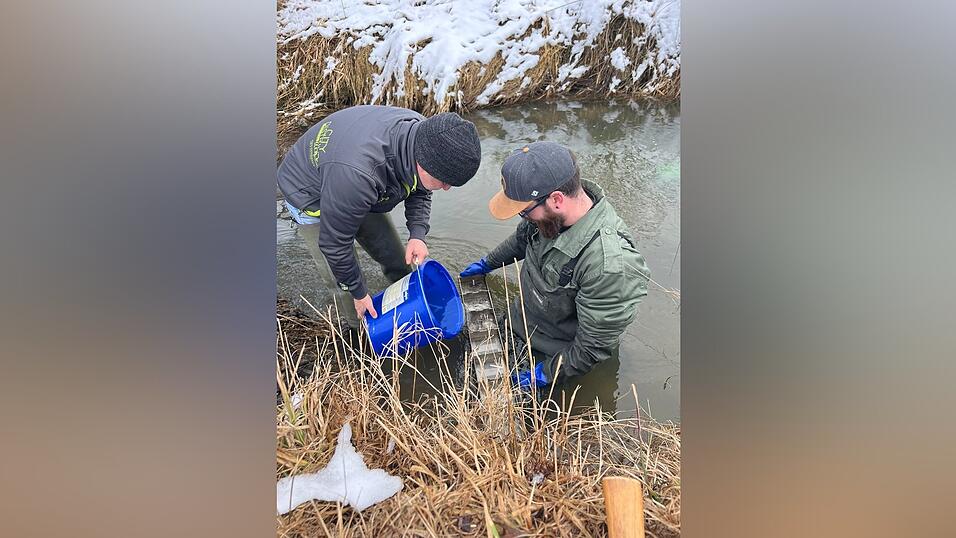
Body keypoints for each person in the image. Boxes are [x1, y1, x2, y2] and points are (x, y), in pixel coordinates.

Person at [460, 141, 649, 389]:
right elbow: (521, 240)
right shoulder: (547, 214)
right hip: (522, 322)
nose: (524, 218)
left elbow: (591, 348)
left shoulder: (609, 265)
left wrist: (543, 375)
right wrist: (487, 263)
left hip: (555, 355)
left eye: (524, 212)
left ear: (557, 199)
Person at [278, 105, 481, 327]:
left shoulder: (425, 134)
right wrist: (359, 292)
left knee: (394, 257)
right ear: (425, 164)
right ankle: (358, 332)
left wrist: (417, 234)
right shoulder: (358, 176)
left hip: (352, 181)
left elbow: (421, 189)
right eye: (445, 181)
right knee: (344, 285)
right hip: (310, 194)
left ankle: (411, 303)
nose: (447, 188)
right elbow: (334, 244)